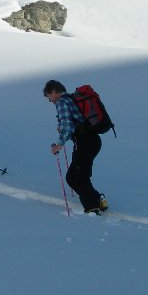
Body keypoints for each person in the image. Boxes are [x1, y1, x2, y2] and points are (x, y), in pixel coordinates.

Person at [43, 79, 108, 213]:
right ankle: (98, 200)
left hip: (85, 142)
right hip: (91, 141)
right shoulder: (71, 99)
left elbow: (67, 124)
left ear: (54, 91)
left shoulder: (62, 102)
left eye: (49, 97)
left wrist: (60, 144)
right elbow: (72, 124)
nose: (50, 101)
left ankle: (92, 208)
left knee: (79, 177)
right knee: (72, 177)